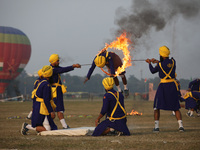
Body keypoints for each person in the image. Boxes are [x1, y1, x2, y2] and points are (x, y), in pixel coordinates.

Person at [145, 46, 184, 132]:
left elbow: (153, 71)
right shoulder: (173, 61)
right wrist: (157, 61)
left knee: (156, 107)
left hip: (163, 86)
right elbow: (166, 64)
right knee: (176, 107)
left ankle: (156, 127)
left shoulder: (159, 65)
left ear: (162, 55)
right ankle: (181, 126)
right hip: (172, 86)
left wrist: (149, 63)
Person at [21, 65, 57, 135]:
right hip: (42, 107)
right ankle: (27, 126)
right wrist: (51, 111)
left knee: (48, 126)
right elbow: (46, 99)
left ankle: (30, 127)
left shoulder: (41, 82)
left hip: (38, 105)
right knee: (48, 130)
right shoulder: (46, 84)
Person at [49, 54, 81, 129]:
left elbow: (62, 69)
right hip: (56, 92)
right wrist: (73, 66)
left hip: (56, 91)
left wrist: (74, 66)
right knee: (59, 109)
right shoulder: (53, 69)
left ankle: (51, 125)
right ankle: (64, 126)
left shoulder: (54, 68)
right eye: (57, 61)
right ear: (53, 61)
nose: (59, 62)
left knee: (54, 110)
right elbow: (63, 70)